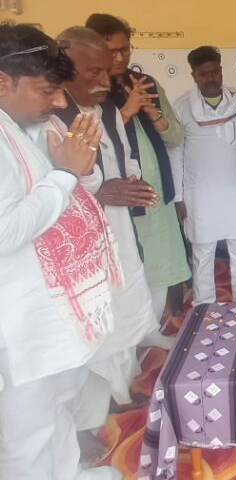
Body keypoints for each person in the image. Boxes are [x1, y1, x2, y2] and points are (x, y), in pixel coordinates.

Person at [0, 24, 122, 479]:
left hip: (47, 306)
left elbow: (68, 191)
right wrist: (66, 176)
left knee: (55, 411)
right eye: (47, 90)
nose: (57, 102)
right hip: (16, 322)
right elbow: (6, 229)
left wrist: (79, 170)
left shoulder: (27, 123)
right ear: (3, 82)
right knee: (24, 434)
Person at [54, 26, 161, 438]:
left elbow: (124, 161)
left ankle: (118, 393)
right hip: (78, 253)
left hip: (116, 236)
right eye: (93, 72)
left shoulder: (108, 112)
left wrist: (128, 187)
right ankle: (81, 429)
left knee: (120, 314)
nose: (104, 81)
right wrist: (101, 194)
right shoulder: (48, 122)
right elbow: (43, 202)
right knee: (88, 333)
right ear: (64, 68)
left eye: (107, 70)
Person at [86, 14, 189, 345]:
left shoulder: (144, 83)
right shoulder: (88, 91)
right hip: (118, 198)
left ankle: (151, 329)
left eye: (125, 50)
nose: (120, 58)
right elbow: (88, 144)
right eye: (112, 51)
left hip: (155, 191)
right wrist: (126, 111)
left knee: (161, 260)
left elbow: (176, 136)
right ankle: (129, 339)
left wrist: (151, 111)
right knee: (129, 267)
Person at [171, 46, 236, 305]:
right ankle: (203, 307)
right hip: (200, 194)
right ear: (194, 75)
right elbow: (175, 153)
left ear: (221, 71)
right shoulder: (182, 106)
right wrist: (178, 196)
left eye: (215, 72)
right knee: (203, 254)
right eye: (204, 74)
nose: (211, 78)